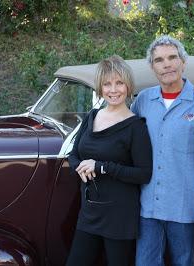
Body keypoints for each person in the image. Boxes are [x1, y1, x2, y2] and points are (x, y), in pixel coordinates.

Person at [131, 35, 194, 266]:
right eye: (159, 60)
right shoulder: (142, 101)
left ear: (183, 62)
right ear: (152, 66)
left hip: (184, 204)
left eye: (172, 57)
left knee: (184, 262)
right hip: (148, 204)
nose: (167, 64)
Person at [66, 55, 153, 266]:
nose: (113, 90)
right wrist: (80, 167)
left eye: (119, 83)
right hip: (90, 211)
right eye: (107, 84)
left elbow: (144, 173)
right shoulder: (92, 116)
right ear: (100, 87)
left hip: (119, 214)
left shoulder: (136, 126)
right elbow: (74, 155)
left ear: (128, 85)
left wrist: (102, 167)